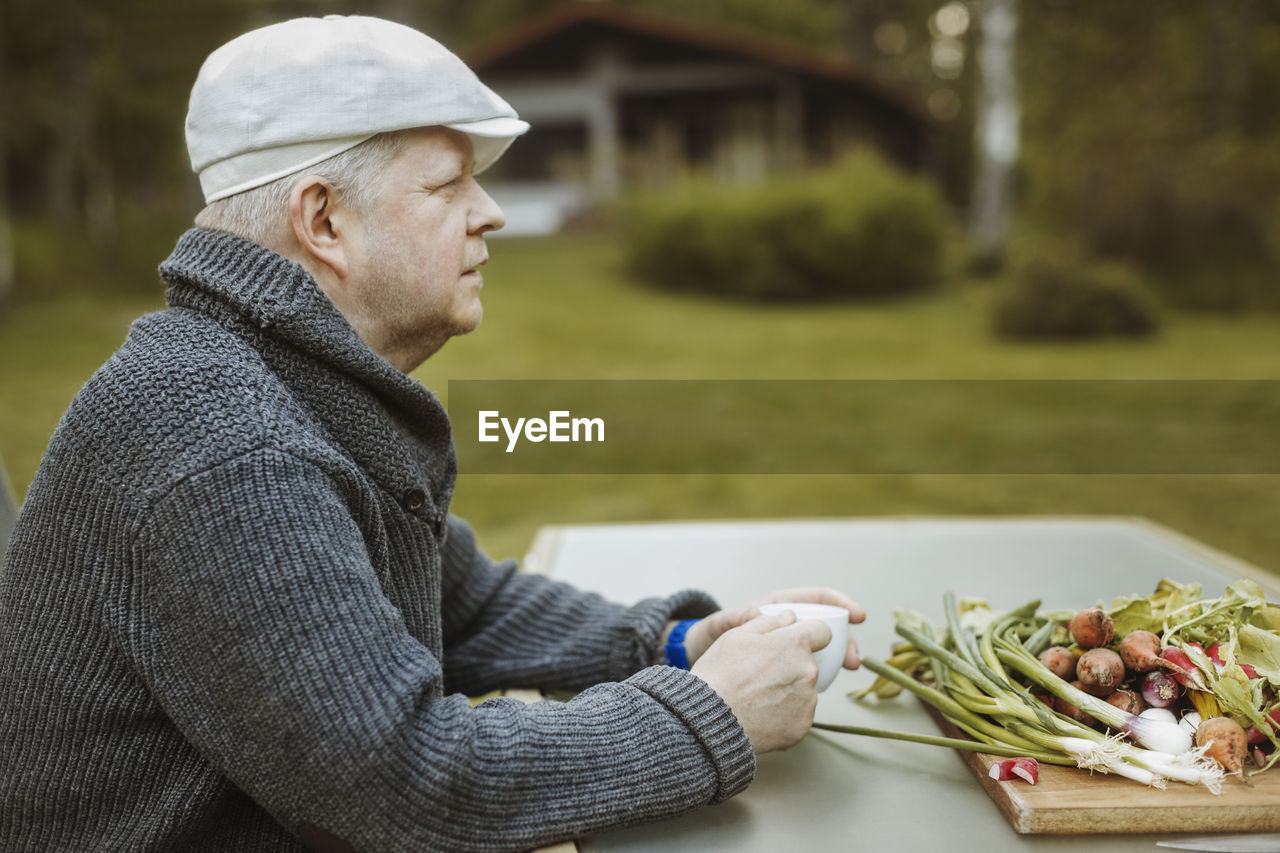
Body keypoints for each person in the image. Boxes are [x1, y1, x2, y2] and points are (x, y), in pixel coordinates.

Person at [0, 15, 866, 852]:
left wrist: (676, 646)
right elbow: (409, 788)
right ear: (325, 220)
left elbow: (464, 603)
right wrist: (706, 716)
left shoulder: (286, 375)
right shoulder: (227, 450)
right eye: (448, 185)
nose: (489, 212)